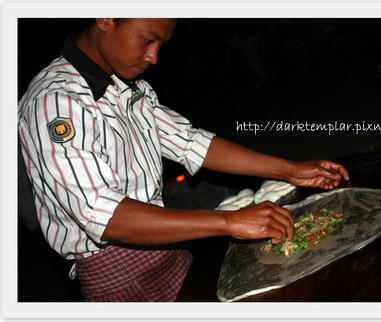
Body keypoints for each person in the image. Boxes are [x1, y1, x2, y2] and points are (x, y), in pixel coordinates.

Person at [17, 18, 349, 302]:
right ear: (105, 16)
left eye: (161, 44)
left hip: (168, 242)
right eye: (148, 40)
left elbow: (191, 143)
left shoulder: (126, 85)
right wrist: (227, 222)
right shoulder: (55, 101)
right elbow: (104, 216)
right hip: (119, 273)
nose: (154, 57)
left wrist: (290, 169)